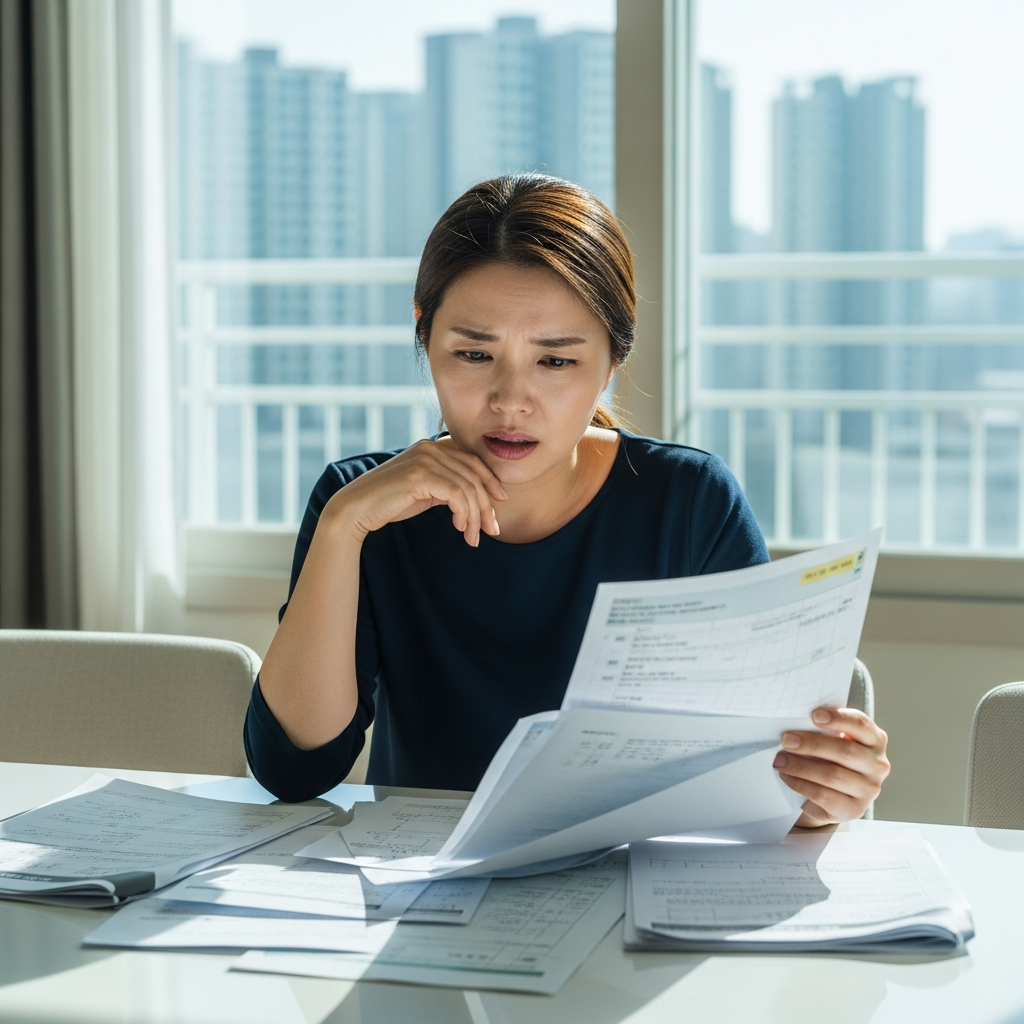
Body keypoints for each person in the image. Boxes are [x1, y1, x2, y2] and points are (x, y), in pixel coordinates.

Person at [246, 174, 890, 827]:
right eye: (473, 353)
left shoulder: (688, 501)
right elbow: (294, 771)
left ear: (612, 359)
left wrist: (816, 793)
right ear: (425, 335)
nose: (510, 400)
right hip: (424, 894)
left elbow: (750, 773)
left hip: (628, 878)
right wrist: (343, 524)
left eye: (555, 362)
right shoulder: (363, 507)